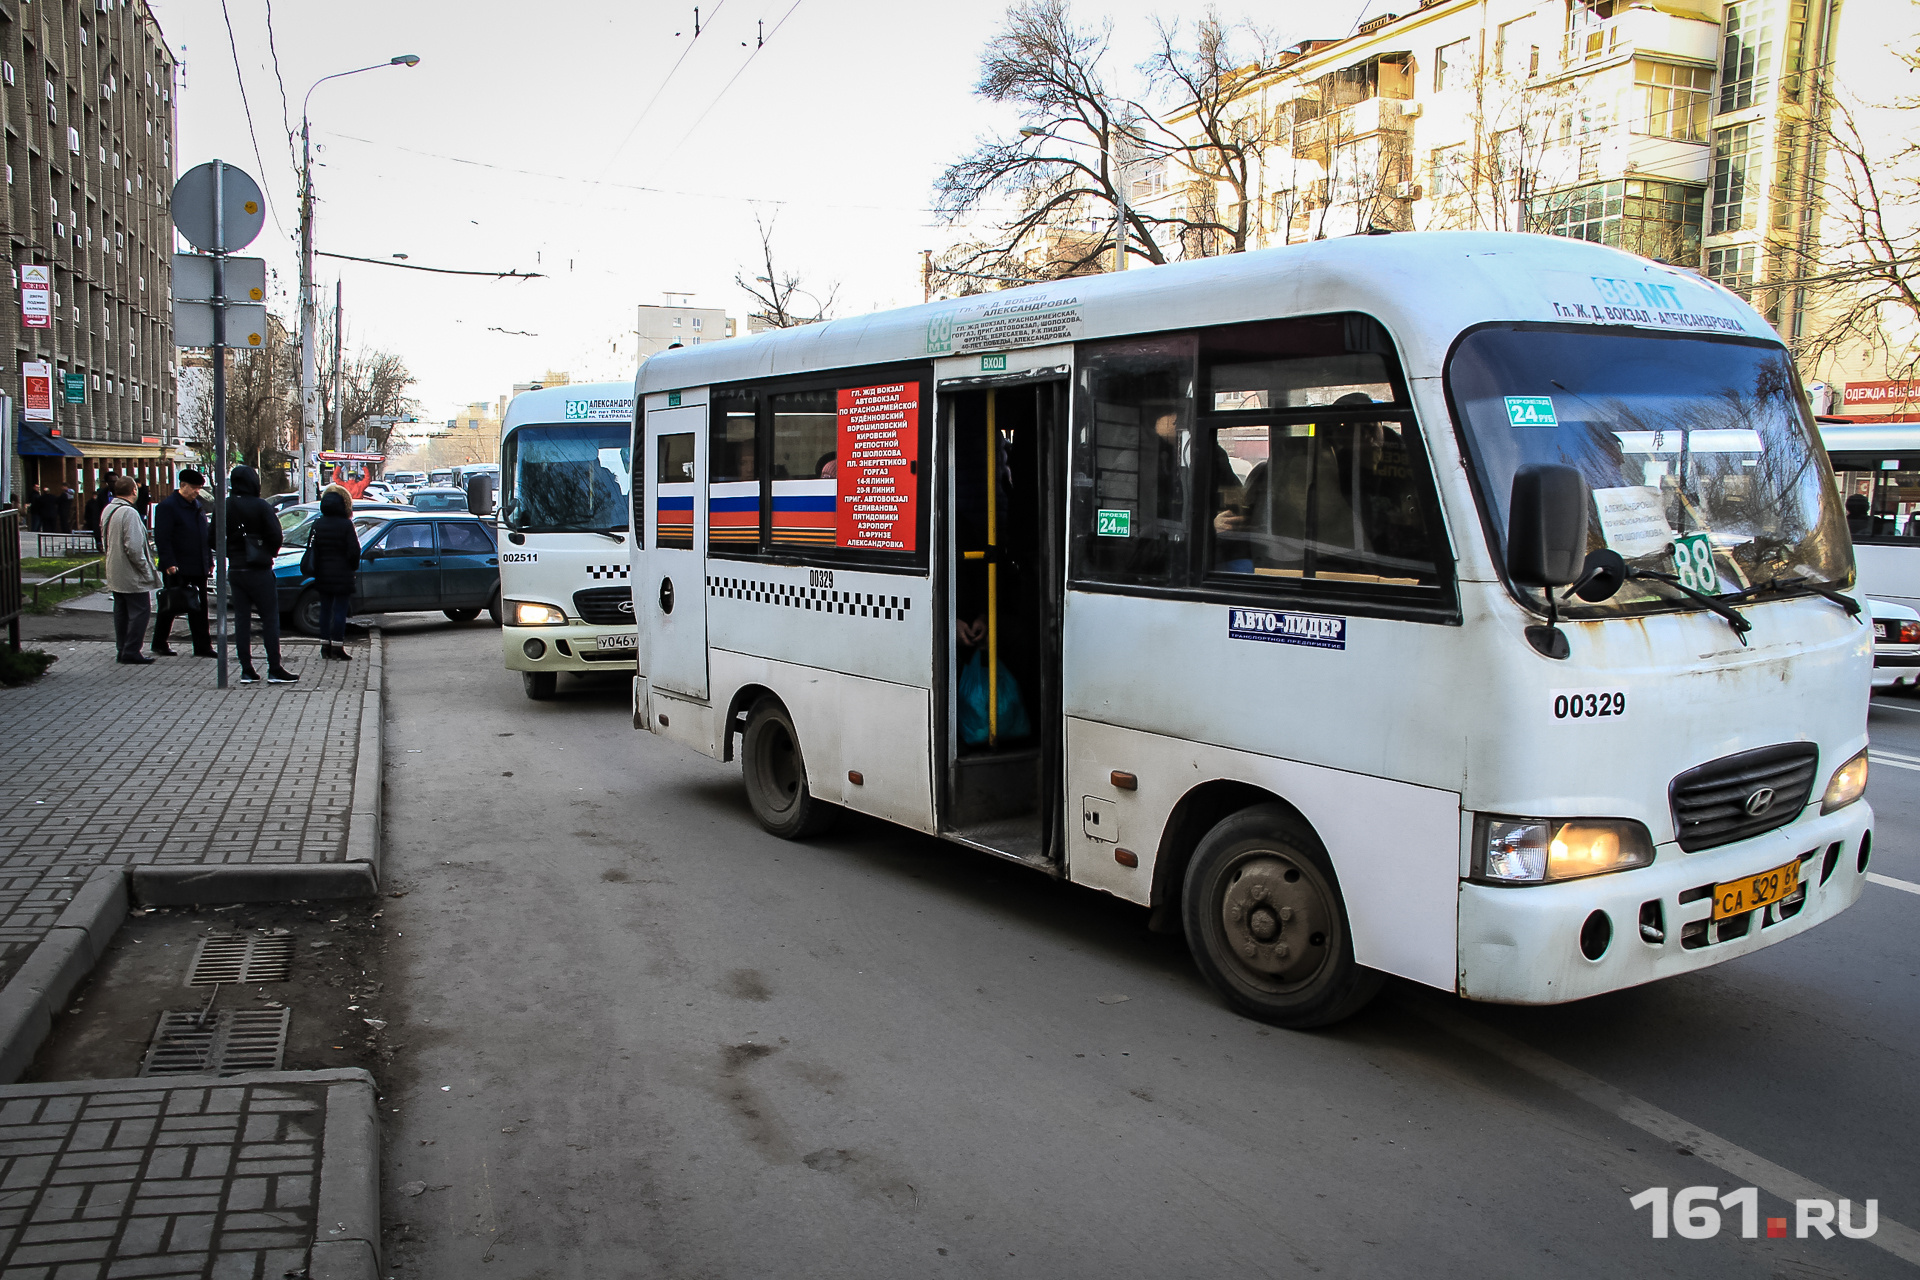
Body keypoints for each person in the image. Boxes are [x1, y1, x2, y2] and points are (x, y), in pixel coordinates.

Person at [226, 464, 298, 684]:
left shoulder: (225, 505)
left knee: (241, 619)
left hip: (236, 569)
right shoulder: (261, 506)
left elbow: (212, 537)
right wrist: (267, 552)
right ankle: (274, 668)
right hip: (259, 569)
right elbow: (276, 535)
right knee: (269, 618)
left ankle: (246, 669)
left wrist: (231, 550)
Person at [151, 468, 215, 658]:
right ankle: (159, 642)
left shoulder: (197, 506)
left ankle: (203, 646)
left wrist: (209, 560)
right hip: (178, 567)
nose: (197, 491)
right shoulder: (168, 507)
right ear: (183, 486)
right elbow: (163, 537)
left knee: (199, 608)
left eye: (199, 488)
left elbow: (203, 536)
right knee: (171, 606)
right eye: (194, 487)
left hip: (198, 565)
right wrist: (169, 562)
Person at [101, 475, 162, 665]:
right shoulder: (130, 513)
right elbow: (134, 547)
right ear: (134, 490)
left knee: (121, 612)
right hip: (130, 572)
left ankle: (123, 648)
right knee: (140, 611)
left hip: (114, 568)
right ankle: (132, 650)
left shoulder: (109, 509)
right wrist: (146, 570)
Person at [304, 485, 361, 660]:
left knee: (325, 610)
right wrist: (351, 567)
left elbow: (314, 548)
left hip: (322, 574)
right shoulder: (346, 524)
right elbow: (354, 551)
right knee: (340, 611)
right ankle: (337, 646)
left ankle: (324, 646)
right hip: (342, 574)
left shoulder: (318, 523)